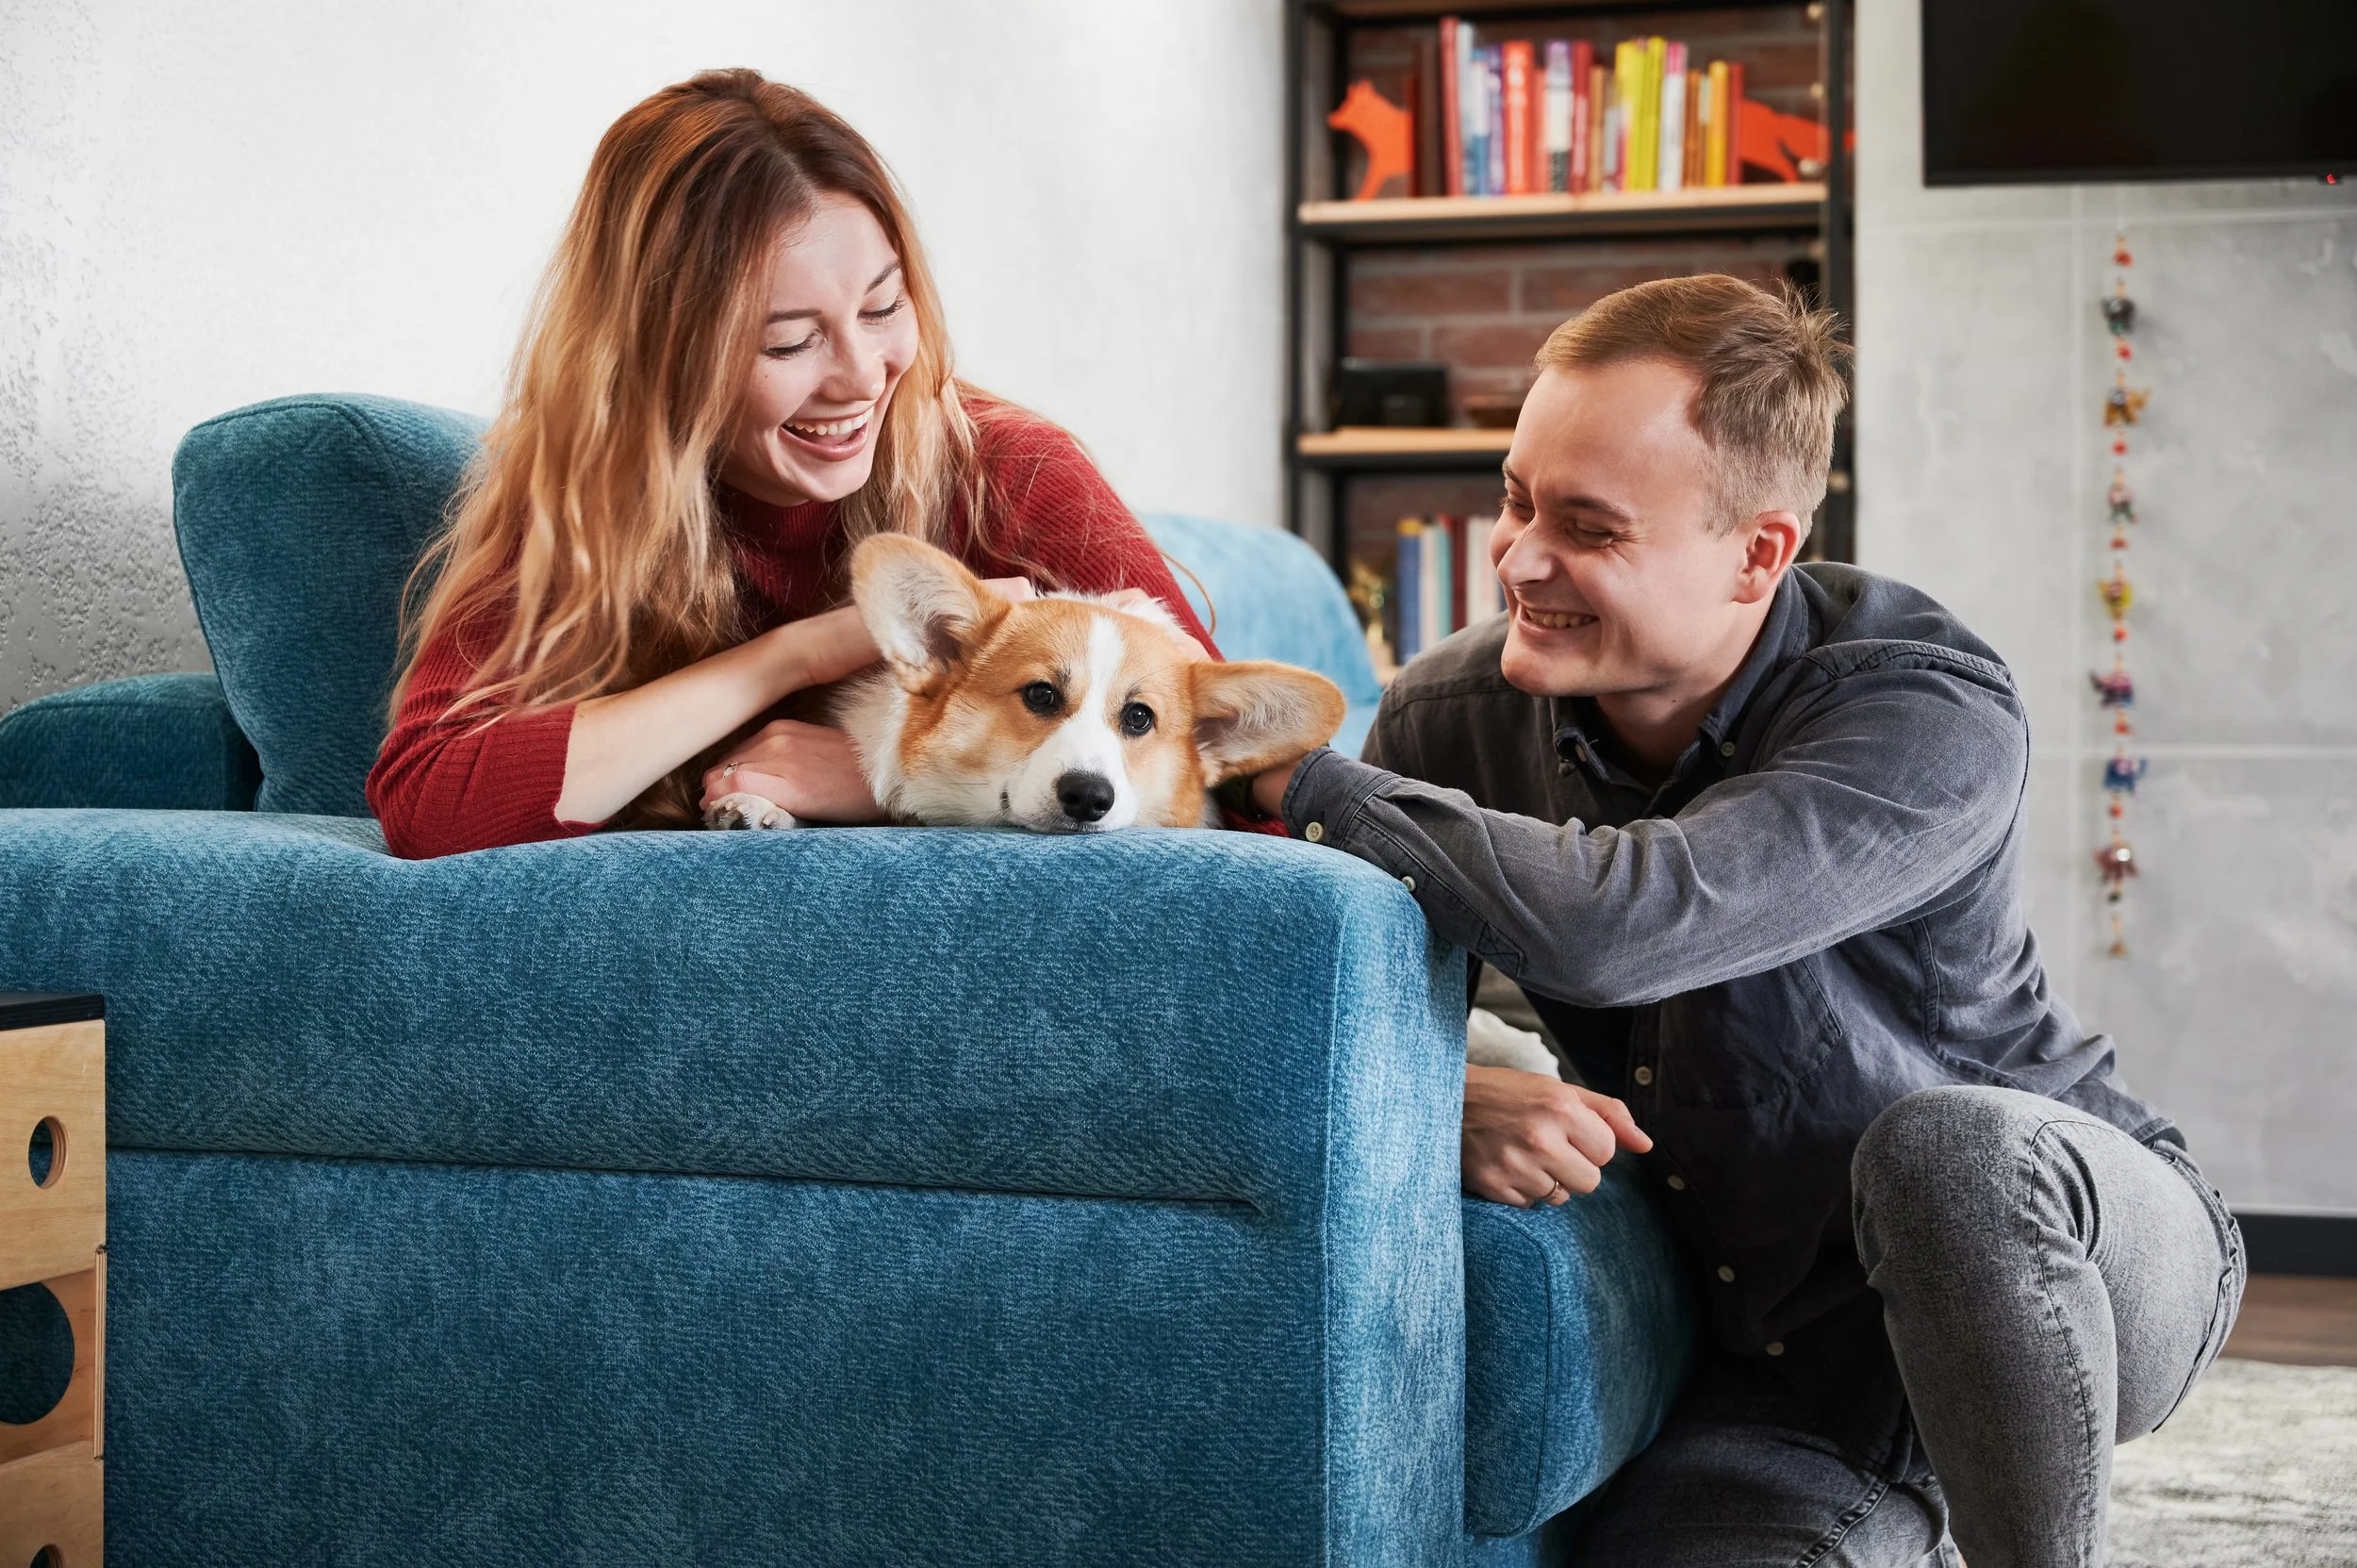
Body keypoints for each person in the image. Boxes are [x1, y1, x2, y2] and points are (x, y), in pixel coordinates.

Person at [1247, 275, 2245, 1568]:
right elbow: (1350, 1004)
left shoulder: (1928, 709)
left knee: (1947, 1154)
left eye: (1589, 528)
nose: (1518, 559)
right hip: (1790, 1372)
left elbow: (1622, 920)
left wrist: (1296, 771)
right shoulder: (1449, 724)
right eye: (1516, 498)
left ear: (1759, 552)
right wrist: (1443, 1093)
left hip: (2077, 1257)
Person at [370, 70, 1214, 859]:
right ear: (663, 362)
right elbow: (427, 804)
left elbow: (1230, 755)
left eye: (883, 305)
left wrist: (897, 779)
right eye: (790, 341)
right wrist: (799, 653)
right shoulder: (582, 504)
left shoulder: (1004, 468)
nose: (862, 377)